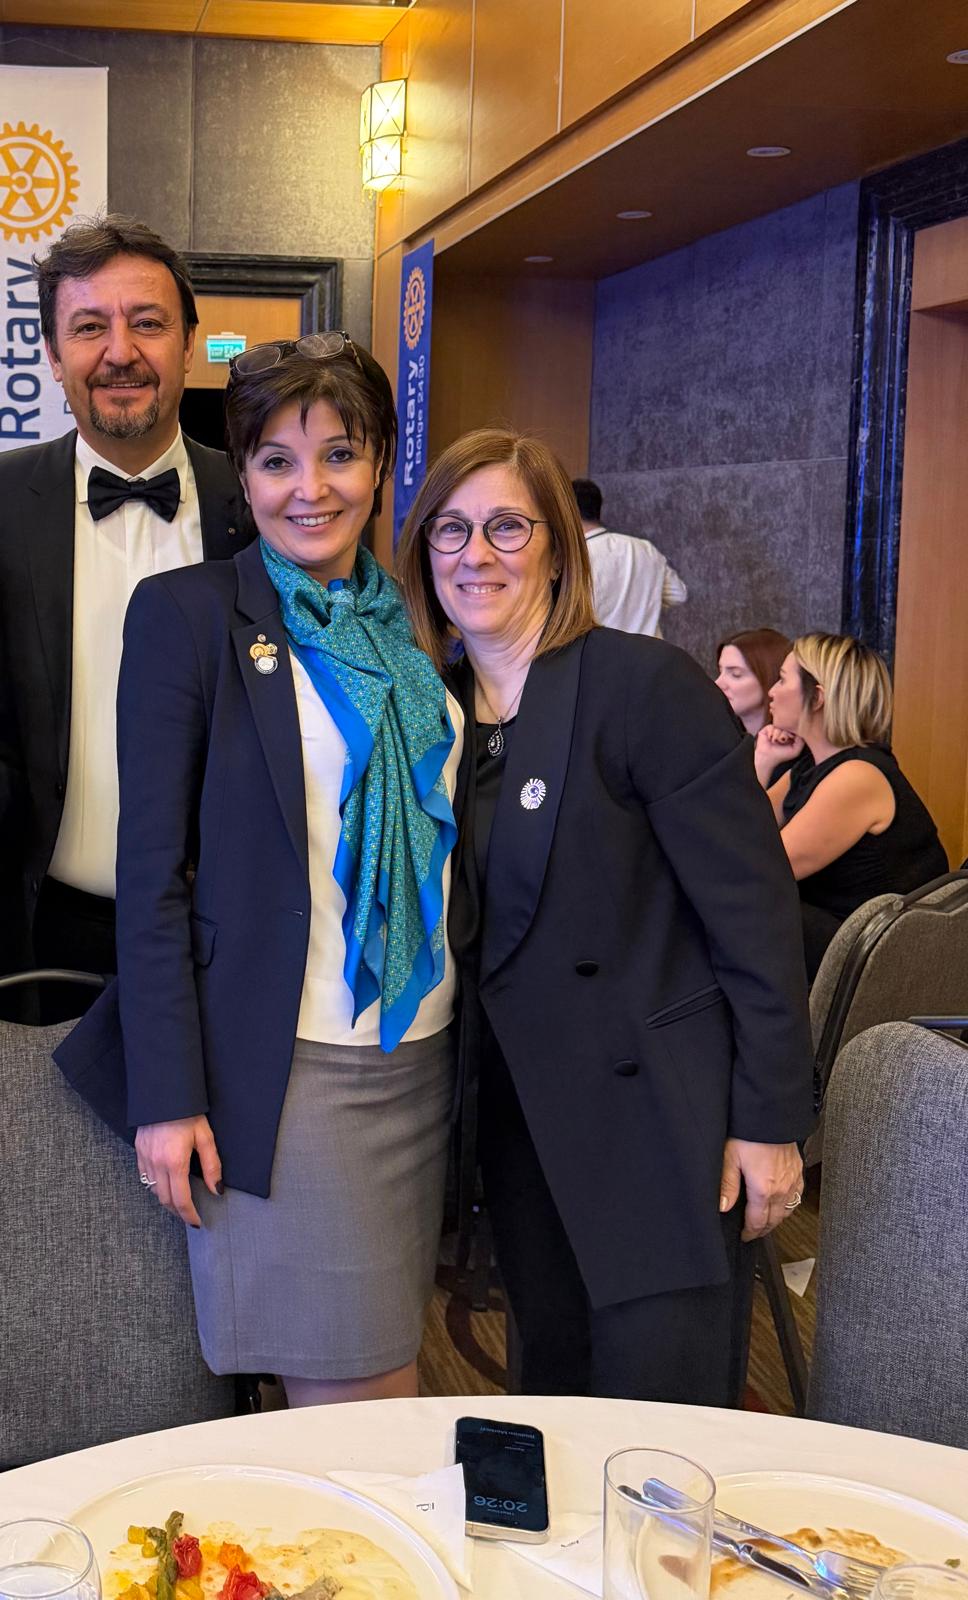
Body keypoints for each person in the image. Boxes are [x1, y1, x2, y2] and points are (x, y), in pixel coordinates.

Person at [55, 333, 462, 1406]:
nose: (309, 488)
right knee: (360, 1399)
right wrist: (169, 1095)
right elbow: (152, 876)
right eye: (277, 459)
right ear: (242, 472)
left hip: (422, 1056)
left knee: (389, 1371)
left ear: (381, 464)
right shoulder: (190, 615)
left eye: (340, 454)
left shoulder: (418, 621)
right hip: (290, 1072)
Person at [396, 428, 814, 1404]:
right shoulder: (432, 711)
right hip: (516, 1121)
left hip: (654, 1122)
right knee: (554, 1389)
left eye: (507, 526)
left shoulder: (641, 686)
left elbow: (753, 916)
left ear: (557, 549)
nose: (475, 553)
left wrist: (768, 1121)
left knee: (659, 1418)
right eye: (450, 529)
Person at [0, 214, 246, 1018]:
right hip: (40, 933)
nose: (120, 352)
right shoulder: (2, 503)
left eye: (148, 323)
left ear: (189, 343)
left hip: (228, 934)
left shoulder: (260, 506)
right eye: (88, 327)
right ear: (51, 353)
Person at [765, 633, 948, 981]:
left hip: (879, 960)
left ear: (817, 698)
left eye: (782, 679)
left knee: (748, 905)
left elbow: (760, 867)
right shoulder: (809, 767)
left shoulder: (857, 777)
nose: (771, 691)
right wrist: (764, 760)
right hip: (842, 935)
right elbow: (742, 826)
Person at [571, 475, 687, 636]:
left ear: (568, 512)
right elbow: (678, 594)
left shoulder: (577, 558)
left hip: (601, 649)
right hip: (650, 649)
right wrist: (644, 600)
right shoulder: (645, 548)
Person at [715, 627, 801, 787]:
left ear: (770, 678)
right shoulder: (721, 739)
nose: (718, 683)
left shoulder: (790, 752)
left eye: (736, 674)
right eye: (720, 671)